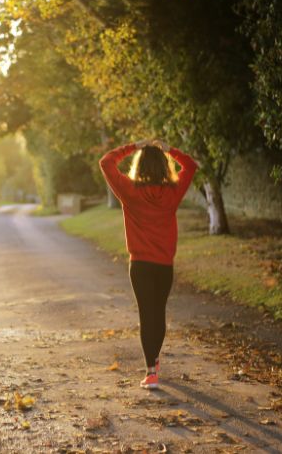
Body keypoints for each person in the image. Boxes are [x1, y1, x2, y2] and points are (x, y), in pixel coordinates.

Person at [99, 139, 198, 389]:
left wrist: (133, 146)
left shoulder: (129, 191)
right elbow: (191, 165)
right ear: (164, 166)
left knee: (147, 315)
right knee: (159, 313)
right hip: (164, 265)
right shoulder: (173, 192)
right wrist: (169, 149)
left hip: (140, 265)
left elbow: (106, 162)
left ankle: (151, 371)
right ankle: (154, 360)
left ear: (139, 165)